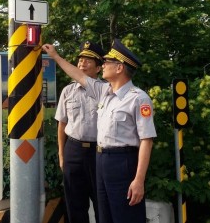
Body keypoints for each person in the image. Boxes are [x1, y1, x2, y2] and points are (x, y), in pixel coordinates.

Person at [43, 39, 156, 223]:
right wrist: (55, 56)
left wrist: (139, 180)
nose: (104, 65)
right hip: (101, 159)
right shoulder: (104, 92)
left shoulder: (138, 98)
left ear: (119, 68)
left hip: (122, 162)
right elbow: (78, 75)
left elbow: (147, 140)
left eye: (108, 62)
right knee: (105, 216)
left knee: (125, 216)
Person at [55, 40, 106, 223]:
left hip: (98, 152)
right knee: (75, 204)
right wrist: (62, 154)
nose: (82, 63)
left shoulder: (105, 92)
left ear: (99, 68)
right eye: (80, 60)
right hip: (73, 151)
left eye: (88, 61)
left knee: (101, 203)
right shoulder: (68, 91)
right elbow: (61, 125)